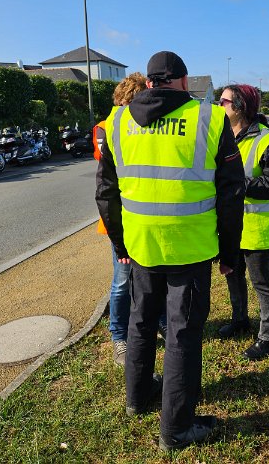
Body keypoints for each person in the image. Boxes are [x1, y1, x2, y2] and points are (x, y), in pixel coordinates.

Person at [96, 51, 245, 451]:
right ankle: (176, 430)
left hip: (141, 245)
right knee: (182, 333)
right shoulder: (209, 118)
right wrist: (230, 253)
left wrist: (119, 243)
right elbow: (232, 193)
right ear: (183, 81)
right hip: (189, 247)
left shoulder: (117, 121)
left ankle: (138, 397)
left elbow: (106, 191)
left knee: (141, 321)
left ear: (149, 83)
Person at [218, 84, 269, 360]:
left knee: (262, 284)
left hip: (259, 229)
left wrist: (240, 183)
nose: (218, 106)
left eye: (223, 101)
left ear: (240, 107)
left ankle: (268, 338)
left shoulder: (268, 141)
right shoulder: (223, 137)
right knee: (233, 276)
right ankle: (240, 320)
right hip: (231, 228)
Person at [94, 72, 163, 367]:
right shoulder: (106, 127)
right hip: (121, 220)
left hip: (147, 216)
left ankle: (159, 321)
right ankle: (119, 336)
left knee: (153, 275)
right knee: (122, 280)